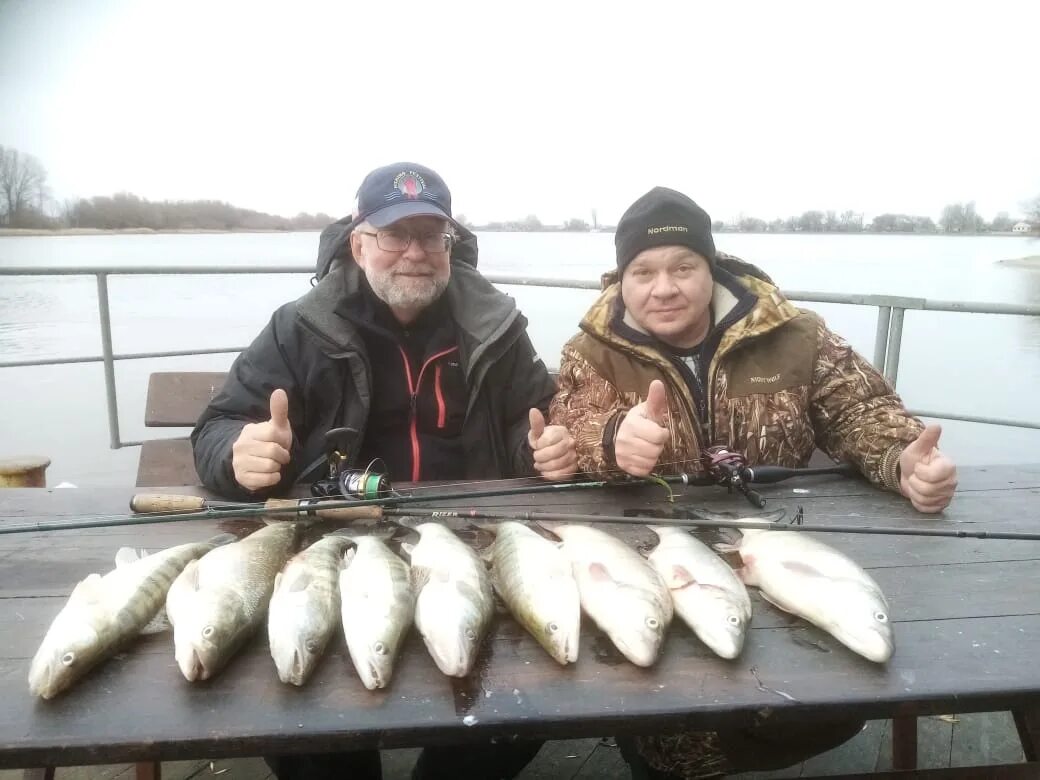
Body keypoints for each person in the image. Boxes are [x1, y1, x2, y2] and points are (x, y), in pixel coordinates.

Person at [549, 186, 958, 778]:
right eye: (644, 271)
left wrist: (905, 462)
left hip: (785, 540)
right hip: (657, 555)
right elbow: (566, 426)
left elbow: (863, 413)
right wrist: (612, 439)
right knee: (662, 710)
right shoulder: (590, 351)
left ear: (709, 267)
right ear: (621, 279)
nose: (664, 287)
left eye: (683, 267)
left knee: (838, 694)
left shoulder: (799, 335)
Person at [192, 161, 576, 779]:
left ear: (451, 244)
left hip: (473, 537)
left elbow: (528, 422)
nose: (415, 254)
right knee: (306, 722)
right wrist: (240, 453)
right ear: (358, 242)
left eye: (432, 236)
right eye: (395, 235)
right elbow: (216, 428)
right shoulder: (298, 327)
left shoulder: (497, 326)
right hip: (329, 541)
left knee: (513, 711)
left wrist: (542, 452)